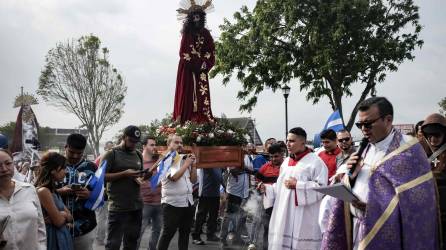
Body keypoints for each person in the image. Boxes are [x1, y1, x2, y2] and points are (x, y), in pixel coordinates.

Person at [321, 97, 439, 249]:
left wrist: (372, 207)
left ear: (388, 119)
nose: (363, 129)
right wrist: (350, 178)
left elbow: (416, 203)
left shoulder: (410, 150)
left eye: (368, 124)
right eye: (360, 125)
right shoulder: (365, 148)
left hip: (390, 235)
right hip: (357, 228)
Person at [259, 127, 328, 250]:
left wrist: (298, 185)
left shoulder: (316, 162)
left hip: (304, 215)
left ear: (303, 142)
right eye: (287, 140)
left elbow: (322, 188)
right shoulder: (285, 162)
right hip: (285, 214)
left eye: (291, 141)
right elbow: (281, 187)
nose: (287, 144)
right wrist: (268, 189)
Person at [102, 125, 148, 250]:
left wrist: (145, 176)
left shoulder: (138, 154)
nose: (133, 144)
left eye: (136, 142)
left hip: (136, 207)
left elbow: (139, 178)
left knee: (132, 243)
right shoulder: (112, 154)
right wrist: (124, 174)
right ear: (123, 137)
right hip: (118, 208)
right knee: (113, 244)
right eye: (131, 141)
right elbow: (100, 177)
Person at [173, 0, 215, 123]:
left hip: (202, 70)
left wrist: (204, 63)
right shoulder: (187, 33)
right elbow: (184, 52)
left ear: (202, 18)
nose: (196, 19)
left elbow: (211, 50)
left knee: (202, 94)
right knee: (187, 93)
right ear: (190, 18)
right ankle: (185, 120)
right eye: (194, 16)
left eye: (199, 16)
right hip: (188, 68)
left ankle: (203, 119)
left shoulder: (206, 33)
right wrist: (196, 63)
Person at [156, 134, 197, 250]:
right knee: (168, 233)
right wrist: (187, 164)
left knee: (185, 233)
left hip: (187, 202)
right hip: (172, 203)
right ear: (168, 145)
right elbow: (174, 177)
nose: (179, 145)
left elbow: (194, 180)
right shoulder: (166, 160)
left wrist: (193, 166)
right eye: (176, 142)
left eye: (181, 142)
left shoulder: (184, 158)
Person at [57, 133, 97, 250]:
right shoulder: (53, 166)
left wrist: (90, 194)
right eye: (71, 152)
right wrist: (59, 192)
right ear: (65, 147)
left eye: (79, 153)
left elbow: (103, 195)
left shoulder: (92, 167)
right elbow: (39, 191)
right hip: (57, 226)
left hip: (84, 227)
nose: (75, 156)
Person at [0, 149, 46, 250]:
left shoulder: (29, 189)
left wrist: (42, 247)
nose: (4, 169)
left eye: (8, 163)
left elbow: (40, 226)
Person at [248, 143, 284, 250]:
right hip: (267, 203)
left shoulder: (286, 167)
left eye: (276, 156)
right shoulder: (265, 167)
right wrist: (260, 186)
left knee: (280, 228)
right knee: (267, 227)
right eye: (271, 156)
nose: (273, 159)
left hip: (282, 203)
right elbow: (258, 181)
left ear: (282, 154)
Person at [35, 152, 73, 250]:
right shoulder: (43, 191)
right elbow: (59, 221)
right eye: (63, 168)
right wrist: (63, 215)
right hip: (53, 239)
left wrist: (63, 215)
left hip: (61, 237)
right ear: (52, 170)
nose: (66, 171)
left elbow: (70, 217)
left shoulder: (53, 190)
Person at [421, 113, 446, 248]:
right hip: (426, 208)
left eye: (437, 135)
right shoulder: (420, 149)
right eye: (429, 136)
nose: (433, 139)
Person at [219, 149, 251, 248]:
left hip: (244, 192)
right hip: (233, 193)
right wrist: (245, 169)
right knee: (229, 216)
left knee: (242, 217)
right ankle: (222, 239)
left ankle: (237, 238)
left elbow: (250, 171)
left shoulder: (247, 157)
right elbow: (233, 171)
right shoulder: (232, 157)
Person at [137, 136, 162, 250]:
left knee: (157, 230)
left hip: (159, 202)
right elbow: (138, 181)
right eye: (151, 145)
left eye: (155, 144)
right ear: (144, 146)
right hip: (144, 203)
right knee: (139, 231)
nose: (154, 147)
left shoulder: (158, 161)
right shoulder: (138, 162)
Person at [192, 167, 223, 245]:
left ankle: (210, 234)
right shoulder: (207, 160)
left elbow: (219, 176)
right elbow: (216, 176)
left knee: (214, 215)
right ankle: (196, 236)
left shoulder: (218, 163)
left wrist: (224, 186)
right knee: (201, 215)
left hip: (215, 192)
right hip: (205, 192)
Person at [94, 141, 114, 246]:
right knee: (104, 217)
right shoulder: (112, 160)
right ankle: (102, 238)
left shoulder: (98, 159)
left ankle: (100, 239)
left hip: (100, 191)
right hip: (106, 192)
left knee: (101, 217)